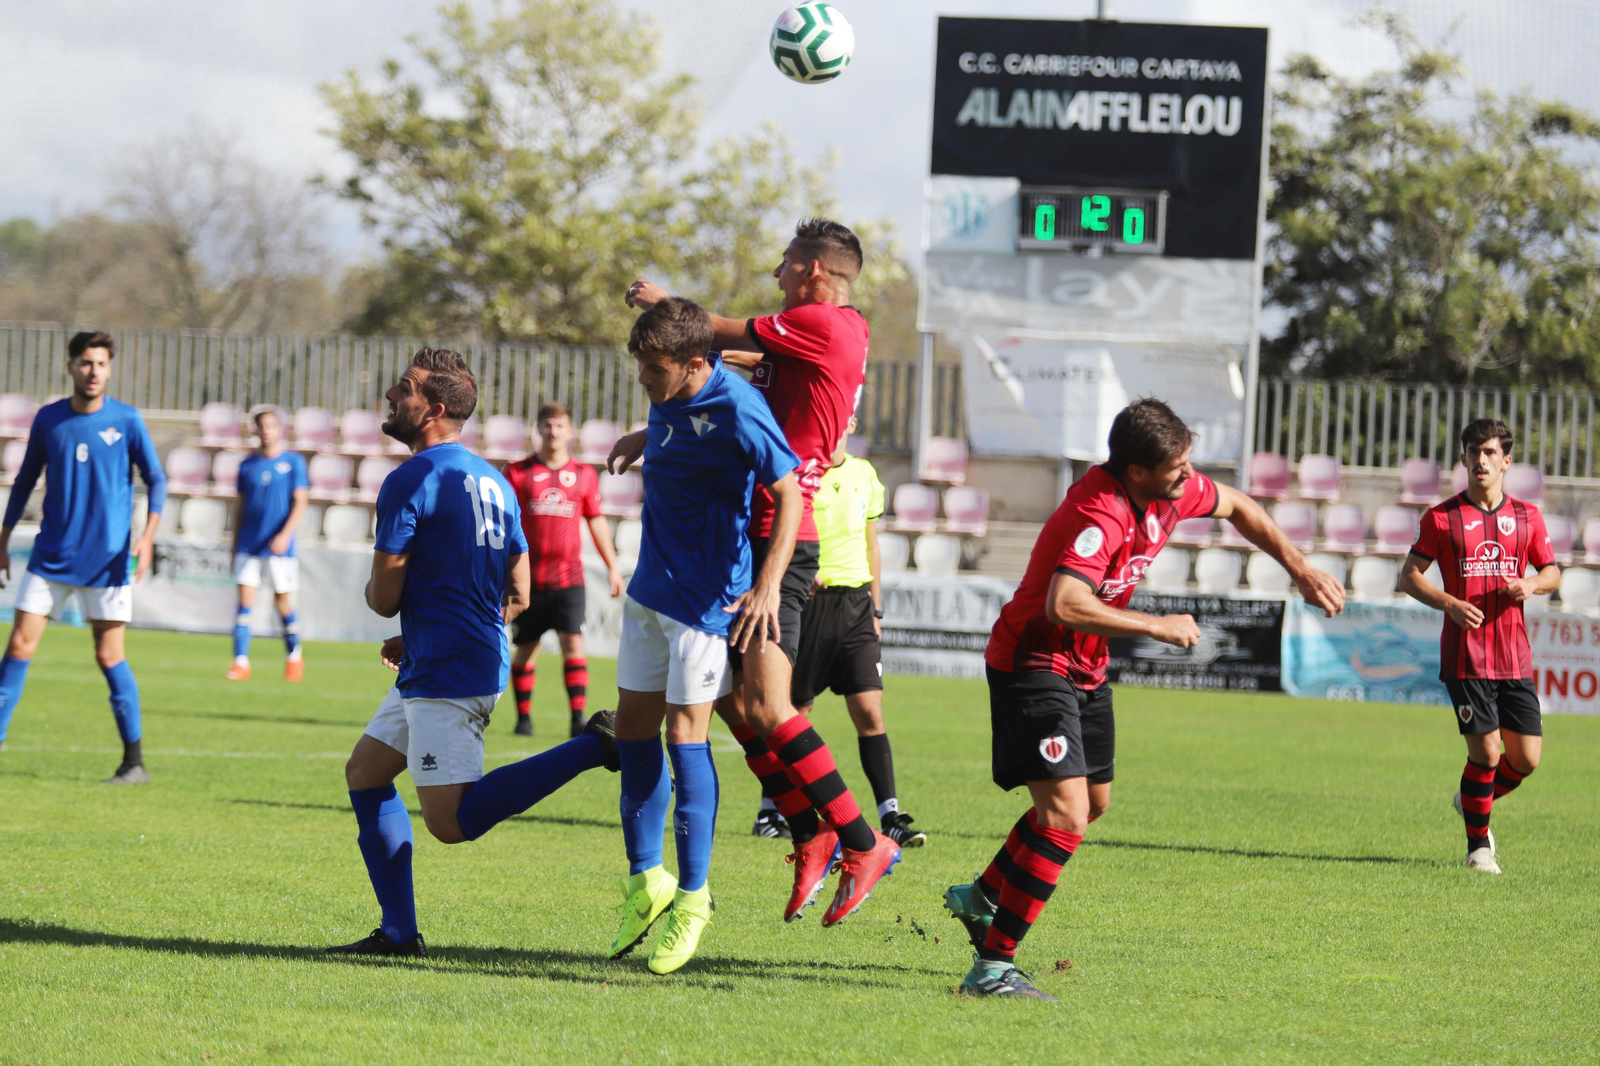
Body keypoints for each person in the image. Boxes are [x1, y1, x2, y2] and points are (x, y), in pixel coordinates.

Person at [943, 398, 1346, 1000]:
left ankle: (980, 895)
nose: (1189, 475)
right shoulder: (1098, 513)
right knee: (1066, 817)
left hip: (1086, 666)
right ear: (1136, 470)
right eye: (1177, 467)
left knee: (1092, 804)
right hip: (1034, 659)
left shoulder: (1171, 491)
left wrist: (1299, 566)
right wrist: (1156, 625)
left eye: (1188, 463)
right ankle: (993, 966)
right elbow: (1063, 603)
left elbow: (1238, 506)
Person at [617, 217, 899, 927]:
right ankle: (812, 834)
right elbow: (736, 366)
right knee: (734, 705)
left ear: (810, 271)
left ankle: (863, 843)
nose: (777, 274)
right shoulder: (828, 333)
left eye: (785, 263)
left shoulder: (822, 322)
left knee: (772, 708)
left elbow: (712, 332)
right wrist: (659, 422)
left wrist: (663, 298)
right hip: (760, 532)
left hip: (785, 535)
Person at [330, 347, 619, 959]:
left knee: (451, 823)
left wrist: (408, 614)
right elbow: (518, 592)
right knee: (366, 773)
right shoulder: (495, 479)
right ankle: (399, 934)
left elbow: (383, 599)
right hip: (454, 654)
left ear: (433, 409)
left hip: (448, 668)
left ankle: (595, 745)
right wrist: (431, 628)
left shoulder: (411, 478)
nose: (389, 395)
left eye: (402, 389)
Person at [606, 298, 803, 975]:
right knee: (631, 733)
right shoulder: (670, 396)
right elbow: (674, 422)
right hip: (649, 593)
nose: (645, 381)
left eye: (654, 372)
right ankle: (646, 882)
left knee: (684, 738)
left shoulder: (740, 408)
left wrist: (770, 583)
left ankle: (693, 897)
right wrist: (644, 434)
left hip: (704, 605)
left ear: (696, 364)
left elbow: (791, 491)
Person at [750, 416, 927, 849]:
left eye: (843, 425)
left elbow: (871, 543)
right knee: (793, 713)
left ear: (850, 425)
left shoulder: (865, 474)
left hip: (856, 608)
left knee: (870, 711)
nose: (834, 433)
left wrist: (876, 605)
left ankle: (890, 815)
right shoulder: (798, 473)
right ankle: (770, 811)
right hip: (810, 605)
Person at [0, 331, 167, 784]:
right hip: (51, 555)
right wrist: (4, 534)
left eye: (101, 364)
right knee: (18, 646)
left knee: (109, 655)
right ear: (71, 366)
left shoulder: (127, 420)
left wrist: (147, 537)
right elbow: (24, 480)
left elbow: (157, 479)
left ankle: (134, 763)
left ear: (109, 370)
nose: (94, 371)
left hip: (107, 562)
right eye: (86, 363)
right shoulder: (49, 419)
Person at [1398, 419, 1559, 875]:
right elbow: (1408, 575)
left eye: (1490, 452)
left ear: (1507, 460)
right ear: (1464, 458)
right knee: (1487, 753)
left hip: (1514, 658)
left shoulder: (1527, 517)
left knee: (1525, 759)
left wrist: (1530, 584)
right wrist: (1448, 603)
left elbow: (1552, 572)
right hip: (1466, 658)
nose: (1481, 460)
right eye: (1474, 451)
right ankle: (1478, 850)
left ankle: (1472, 800)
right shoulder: (1442, 518)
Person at [502, 402, 624, 738]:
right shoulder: (517, 472)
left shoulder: (584, 475)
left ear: (570, 432)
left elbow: (597, 523)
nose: (553, 432)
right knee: (526, 649)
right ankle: (523, 719)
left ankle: (577, 719)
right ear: (538, 429)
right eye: (547, 425)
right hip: (528, 580)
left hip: (569, 579)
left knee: (574, 644)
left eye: (559, 426)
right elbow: (503, 523)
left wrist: (613, 567)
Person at [227, 408, 310, 682]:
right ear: (255, 429)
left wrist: (286, 534)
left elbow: (300, 502)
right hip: (249, 546)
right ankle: (240, 662)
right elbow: (239, 509)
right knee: (243, 604)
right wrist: (234, 545)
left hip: (279, 548)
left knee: (283, 603)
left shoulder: (293, 463)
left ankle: (294, 657)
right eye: (261, 426)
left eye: (271, 426)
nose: (266, 431)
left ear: (280, 429)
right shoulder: (247, 465)